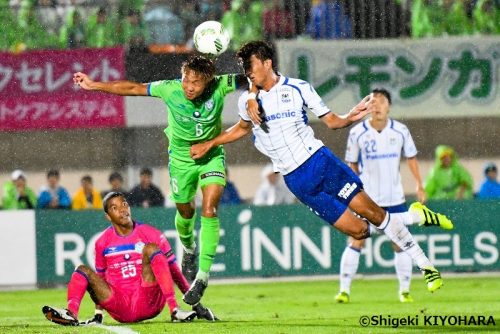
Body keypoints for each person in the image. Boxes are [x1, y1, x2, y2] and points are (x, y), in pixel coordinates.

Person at [190, 40, 454, 297]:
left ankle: (426, 265)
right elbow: (242, 129)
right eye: (244, 67)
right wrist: (210, 143)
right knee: (359, 231)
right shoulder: (247, 101)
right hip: (297, 181)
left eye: (251, 65)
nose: (247, 71)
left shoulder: (298, 88)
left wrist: (350, 117)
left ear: (267, 63)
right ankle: (414, 217)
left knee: (373, 214)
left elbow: (332, 122)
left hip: (320, 162)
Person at [73, 55, 257, 306]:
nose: (189, 87)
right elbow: (133, 88)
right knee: (185, 210)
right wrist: (94, 85)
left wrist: (253, 94)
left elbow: (254, 78)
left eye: (195, 82)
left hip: (211, 155)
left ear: (207, 82)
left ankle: (202, 277)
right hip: (181, 161)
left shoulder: (220, 85)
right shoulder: (169, 89)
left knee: (210, 209)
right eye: (186, 80)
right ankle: (189, 248)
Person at [334, 88, 452, 304]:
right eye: (372, 101)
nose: (376, 105)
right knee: (357, 240)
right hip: (368, 198)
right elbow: (351, 164)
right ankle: (344, 290)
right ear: (367, 107)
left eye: (381, 101)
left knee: (399, 243)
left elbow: (411, 158)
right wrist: (353, 192)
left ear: (389, 105)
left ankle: (405, 291)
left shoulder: (400, 131)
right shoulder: (357, 133)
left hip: (394, 197)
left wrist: (419, 185)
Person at [42, 192, 218, 327]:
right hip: (120, 307)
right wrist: (98, 313)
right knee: (82, 270)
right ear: (107, 216)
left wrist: (196, 305)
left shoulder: (152, 234)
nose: (123, 209)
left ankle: (174, 310)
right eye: (115, 207)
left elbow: (174, 271)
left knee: (151, 249)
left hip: (148, 300)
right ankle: (71, 314)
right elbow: (101, 280)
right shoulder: (102, 242)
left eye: (124, 204)